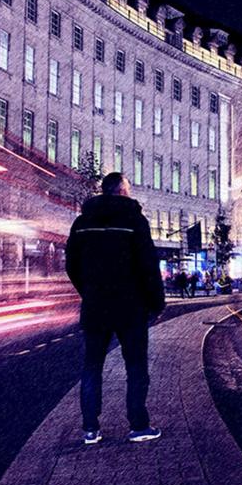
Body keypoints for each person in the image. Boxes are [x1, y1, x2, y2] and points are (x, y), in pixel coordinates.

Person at [65, 172, 165, 445]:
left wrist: (89, 290)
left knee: (92, 366)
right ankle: (138, 425)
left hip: (96, 306)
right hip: (130, 307)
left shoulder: (82, 222)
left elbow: (71, 264)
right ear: (121, 191)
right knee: (135, 366)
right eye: (128, 189)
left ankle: (90, 429)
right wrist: (157, 302)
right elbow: (148, 265)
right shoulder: (135, 220)